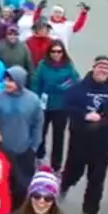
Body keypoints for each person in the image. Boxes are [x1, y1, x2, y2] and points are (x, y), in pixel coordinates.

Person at [60, 55, 108, 214]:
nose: (102, 71)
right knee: (74, 170)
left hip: (102, 141)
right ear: (94, 68)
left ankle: (90, 212)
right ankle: (66, 184)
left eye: (106, 69)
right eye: (100, 67)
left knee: (97, 178)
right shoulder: (79, 87)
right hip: (79, 138)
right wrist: (84, 115)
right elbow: (67, 106)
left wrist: (102, 121)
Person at [0, 67, 42, 203]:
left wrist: (34, 147)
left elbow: (37, 124)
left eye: (11, 81)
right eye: (6, 80)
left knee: (22, 187)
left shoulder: (33, 100)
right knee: (2, 185)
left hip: (24, 151)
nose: (7, 83)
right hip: (1, 150)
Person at [29, 40, 78, 173]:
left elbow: (76, 82)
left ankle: (56, 165)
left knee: (59, 136)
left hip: (62, 106)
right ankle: (39, 156)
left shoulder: (68, 66)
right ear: (49, 52)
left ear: (63, 52)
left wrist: (64, 87)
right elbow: (36, 83)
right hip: (44, 105)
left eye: (59, 51)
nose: (56, 54)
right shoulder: (43, 65)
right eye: (53, 51)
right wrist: (36, 100)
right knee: (41, 132)